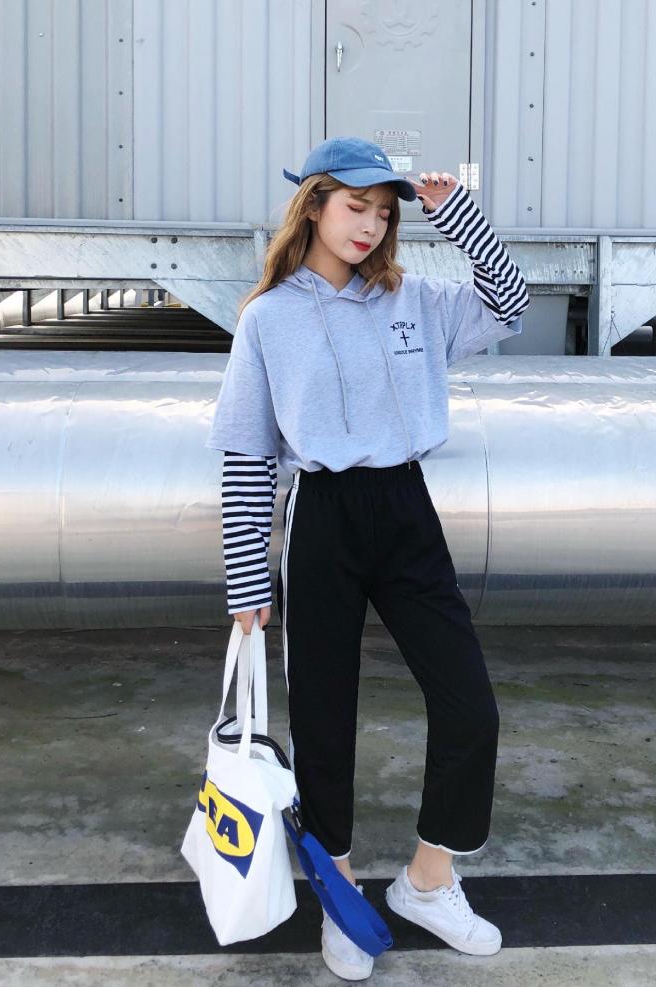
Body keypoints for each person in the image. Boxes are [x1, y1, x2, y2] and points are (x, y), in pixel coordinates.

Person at [207, 136, 529, 981]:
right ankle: (342, 894)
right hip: (324, 518)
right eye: (356, 206)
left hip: (406, 512)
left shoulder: (413, 299)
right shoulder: (268, 318)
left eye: (384, 212)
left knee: (470, 705)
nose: (370, 225)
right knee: (323, 719)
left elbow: (511, 298)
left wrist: (457, 214)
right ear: (313, 205)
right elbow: (248, 453)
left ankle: (429, 881)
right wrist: (247, 575)